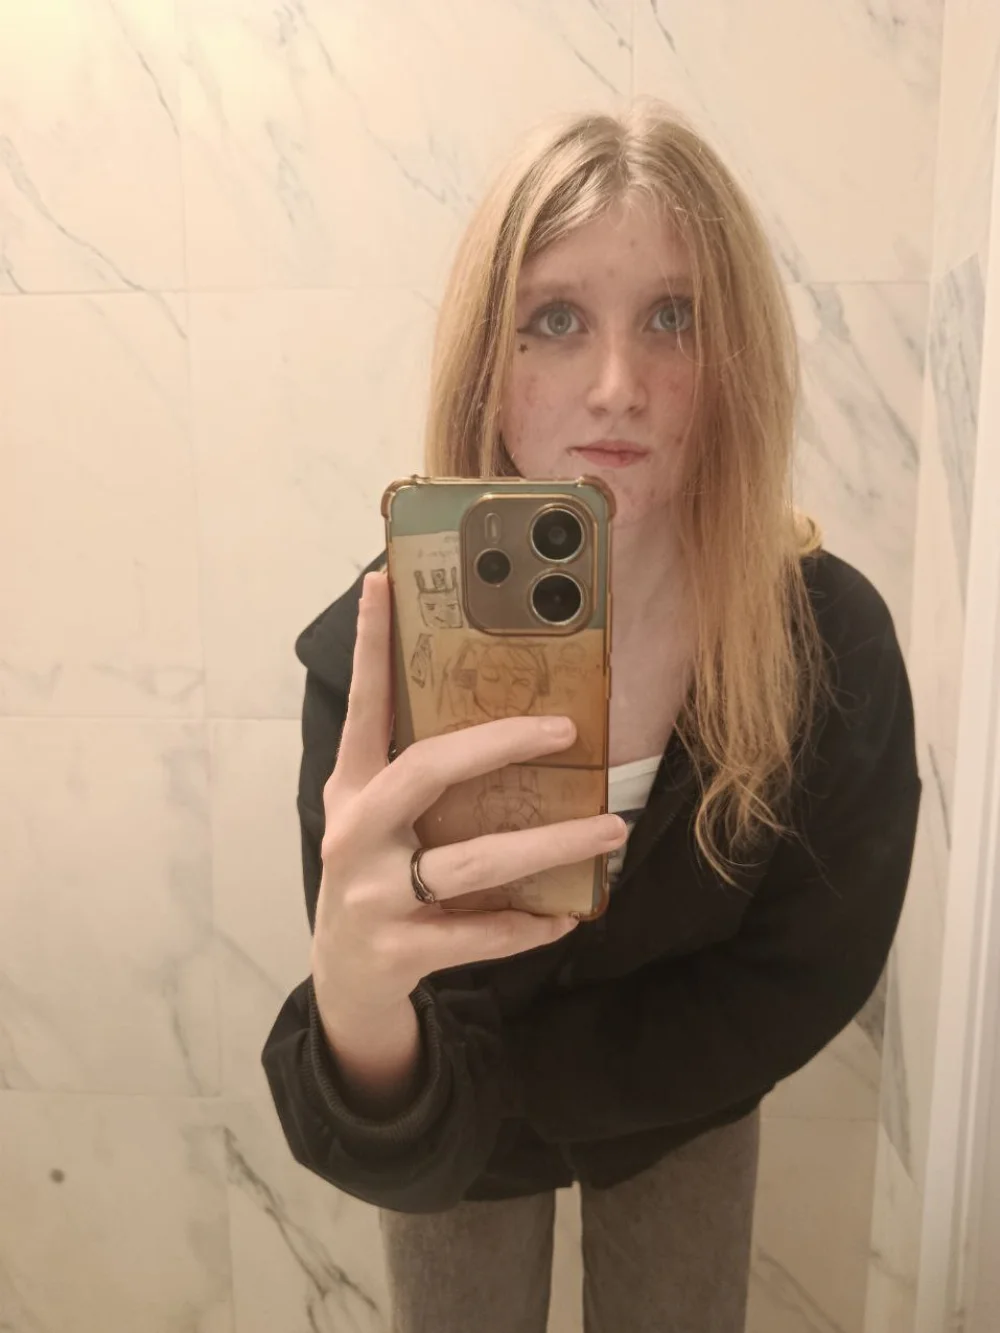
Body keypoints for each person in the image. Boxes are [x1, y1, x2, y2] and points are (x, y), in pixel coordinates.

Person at [262, 101, 921, 1333]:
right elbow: (389, 1091)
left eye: (673, 318)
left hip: (685, 1097)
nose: (616, 387)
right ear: (486, 361)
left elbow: (808, 967)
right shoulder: (379, 658)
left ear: (735, 359)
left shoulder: (826, 647)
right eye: (556, 320)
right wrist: (354, 1012)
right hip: (452, 1126)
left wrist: (508, 1077)